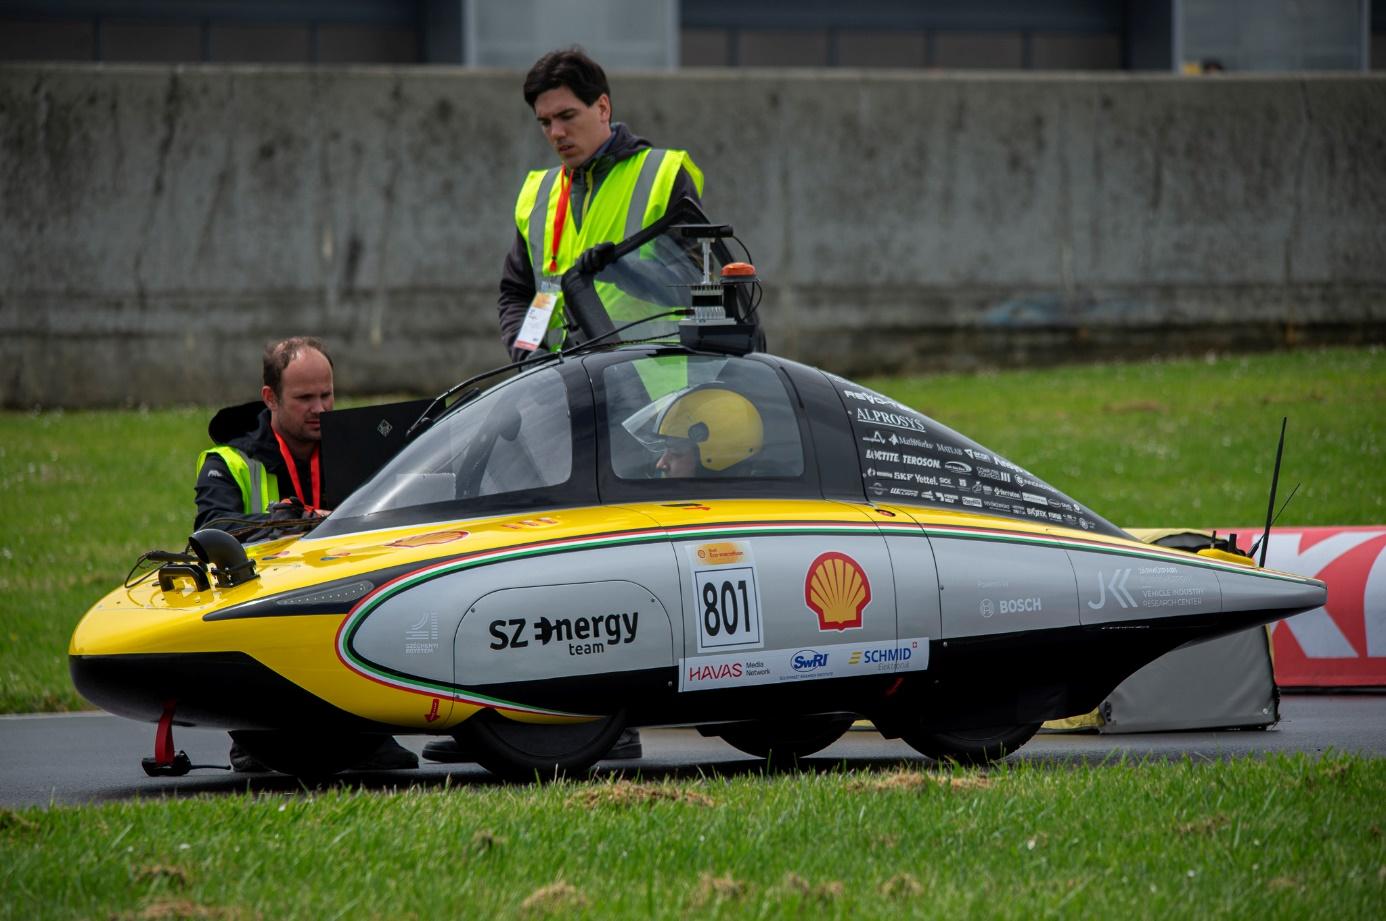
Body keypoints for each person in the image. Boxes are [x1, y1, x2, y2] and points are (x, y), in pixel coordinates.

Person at [194, 336, 418, 773]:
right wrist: (291, 519)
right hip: (264, 603)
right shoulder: (228, 460)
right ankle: (254, 737)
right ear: (270, 398)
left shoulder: (363, 449)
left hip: (349, 596)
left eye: (327, 395)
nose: (320, 408)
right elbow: (212, 530)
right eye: (304, 398)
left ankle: (371, 734)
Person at [495, 46, 704, 361]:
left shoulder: (661, 175)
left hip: (651, 386)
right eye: (545, 123)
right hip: (564, 387)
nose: (557, 133)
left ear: (603, 108)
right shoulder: (538, 194)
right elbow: (515, 294)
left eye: (567, 116)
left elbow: (694, 286)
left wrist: (623, 271)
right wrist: (527, 355)